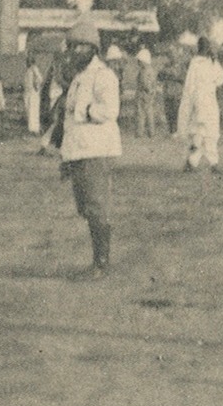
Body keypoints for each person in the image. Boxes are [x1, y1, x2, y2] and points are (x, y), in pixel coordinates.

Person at [57, 21, 121, 276]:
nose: (73, 52)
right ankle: (98, 260)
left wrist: (84, 111)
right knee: (84, 207)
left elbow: (110, 110)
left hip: (97, 150)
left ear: (92, 48)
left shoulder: (103, 75)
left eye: (79, 47)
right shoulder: (79, 78)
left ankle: (101, 263)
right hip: (79, 150)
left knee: (97, 206)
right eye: (71, 47)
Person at [177, 36, 223, 174]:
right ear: (200, 47)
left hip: (210, 101)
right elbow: (190, 86)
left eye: (207, 45)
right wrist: (191, 104)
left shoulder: (212, 61)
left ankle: (194, 162)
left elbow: (220, 79)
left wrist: (215, 61)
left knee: (210, 133)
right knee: (199, 133)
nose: (206, 48)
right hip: (198, 102)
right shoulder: (195, 63)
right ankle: (207, 163)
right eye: (203, 46)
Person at [135, 47, 162, 138]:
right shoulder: (151, 70)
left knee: (141, 113)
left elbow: (145, 83)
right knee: (149, 112)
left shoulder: (144, 71)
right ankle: (151, 132)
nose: (138, 63)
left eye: (139, 61)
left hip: (143, 93)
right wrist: (152, 91)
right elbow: (153, 82)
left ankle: (140, 132)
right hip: (150, 93)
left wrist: (147, 89)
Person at [23, 55, 44, 135]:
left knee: (33, 111)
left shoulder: (34, 68)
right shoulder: (28, 70)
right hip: (28, 92)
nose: (27, 62)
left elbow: (40, 79)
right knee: (28, 110)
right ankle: (31, 129)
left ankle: (35, 130)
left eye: (28, 61)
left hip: (33, 93)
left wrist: (36, 85)